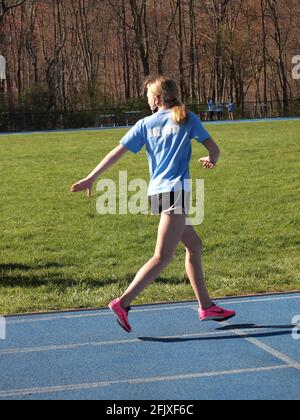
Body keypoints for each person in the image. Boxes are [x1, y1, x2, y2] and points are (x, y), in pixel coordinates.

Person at [70, 76, 236, 333]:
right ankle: (122, 302)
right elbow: (214, 149)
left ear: (157, 98)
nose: (146, 99)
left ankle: (206, 306)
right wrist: (211, 159)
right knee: (163, 256)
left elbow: (116, 153)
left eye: (148, 94)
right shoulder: (187, 118)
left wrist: (92, 177)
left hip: (158, 194)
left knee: (194, 245)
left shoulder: (145, 124)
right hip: (175, 193)